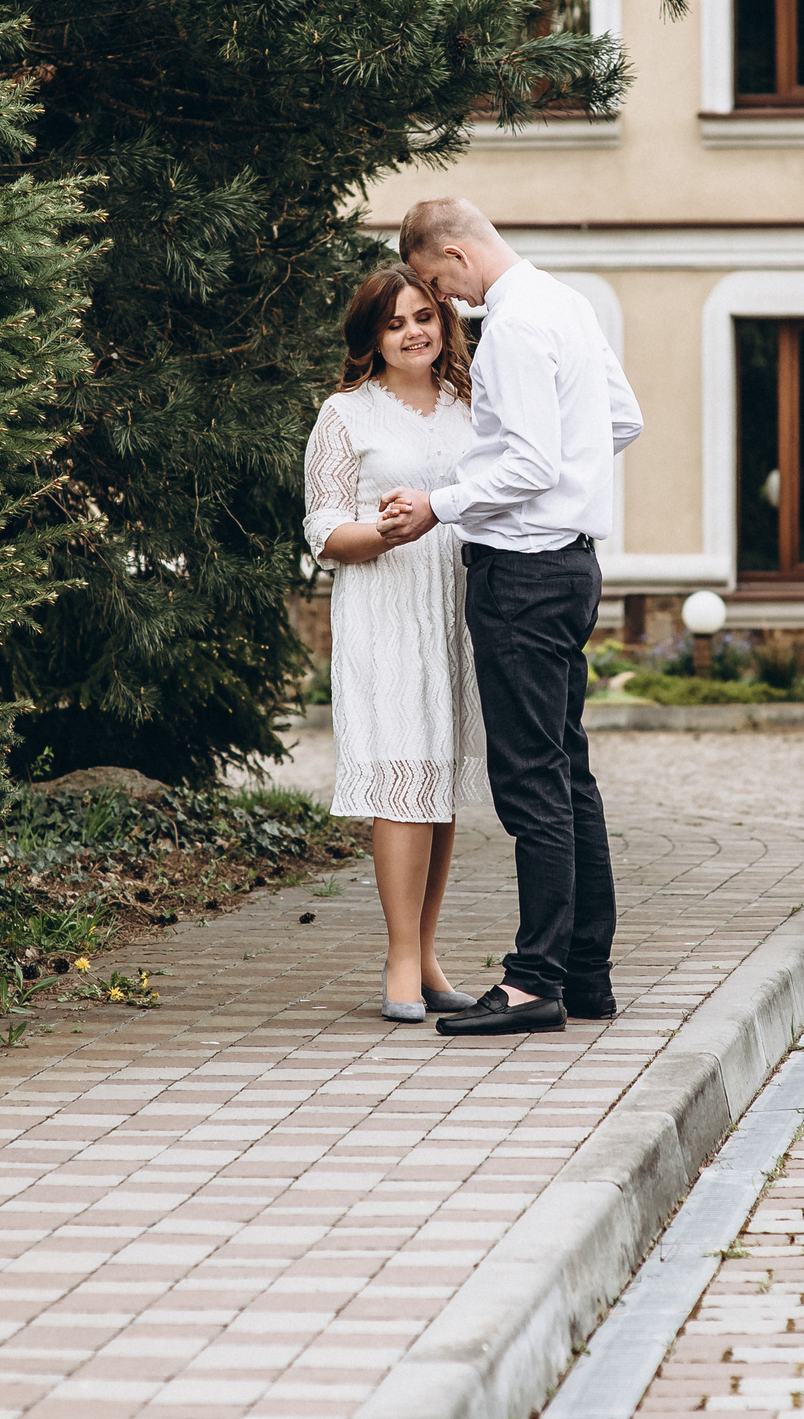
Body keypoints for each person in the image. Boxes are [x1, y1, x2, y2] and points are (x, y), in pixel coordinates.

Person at [377, 197, 642, 1038]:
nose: (444, 305)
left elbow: (527, 459)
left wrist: (440, 502)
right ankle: (585, 973)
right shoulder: (569, 303)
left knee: (531, 780)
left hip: (524, 573)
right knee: (568, 773)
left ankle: (533, 982)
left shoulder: (518, 326)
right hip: (572, 565)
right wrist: (574, 477)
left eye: (434, 287)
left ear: (453, 254)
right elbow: (621, 419)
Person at [302, 265, 488, 1024]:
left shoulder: (470, 409)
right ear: (370, 338)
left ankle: (430, 948)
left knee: (437, 787)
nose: (414, 331)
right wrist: (383, 532)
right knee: (404, 784)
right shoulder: (345, 416)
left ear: (443, 322)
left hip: (458, 611)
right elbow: (321, 531)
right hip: (388, 613)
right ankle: (398, 957)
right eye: (395, 322)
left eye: (424, 316)